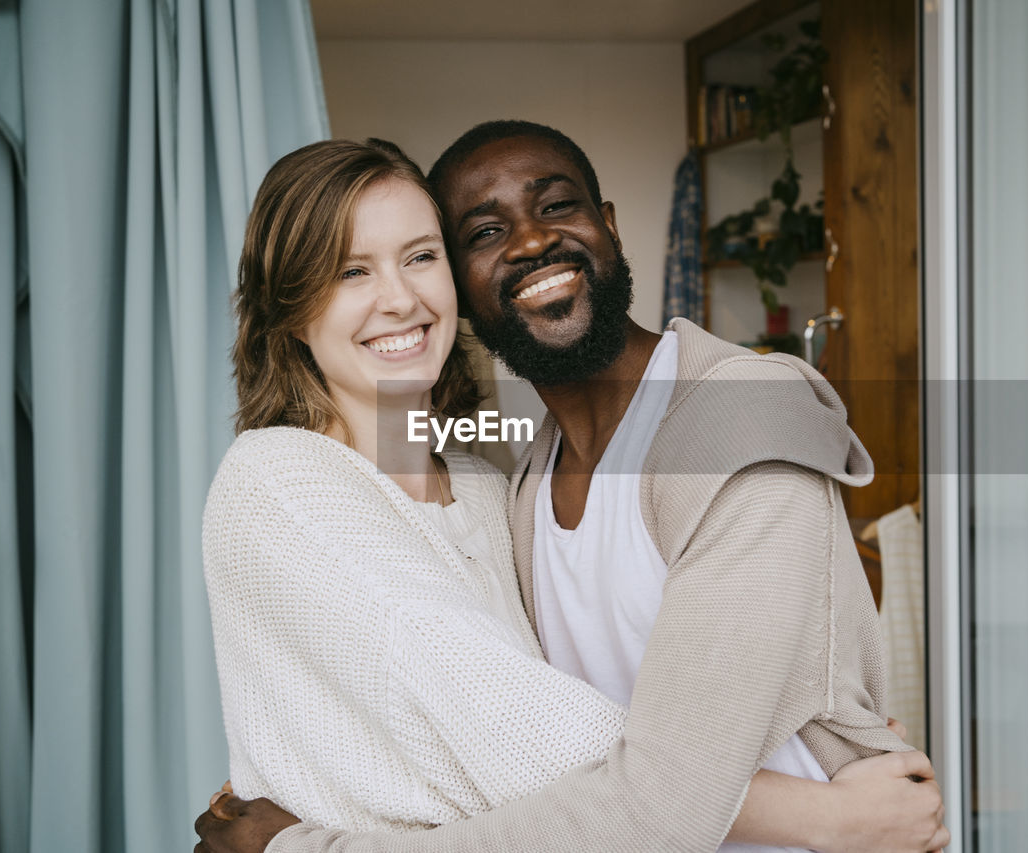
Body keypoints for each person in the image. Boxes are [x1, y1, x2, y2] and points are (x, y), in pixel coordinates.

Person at [198, 132, 949, 853]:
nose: (397, 298)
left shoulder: (490, 489)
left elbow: (601, 755)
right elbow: (526, 732)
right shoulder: (278, 481)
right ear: (292, 309)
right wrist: (831, 814)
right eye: (350, 270)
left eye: (418, 256)